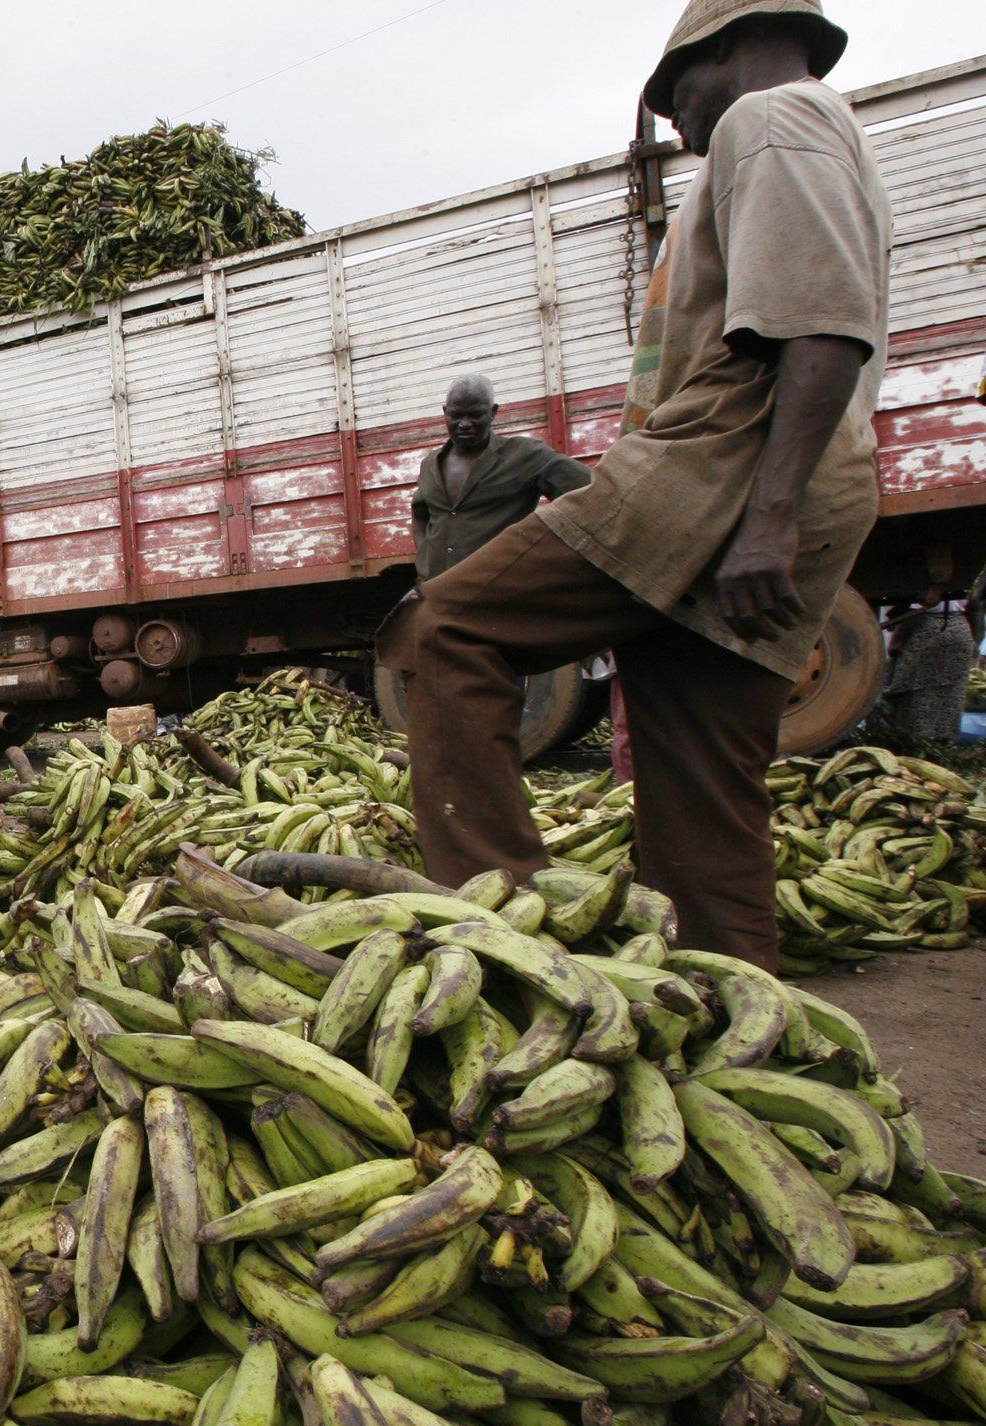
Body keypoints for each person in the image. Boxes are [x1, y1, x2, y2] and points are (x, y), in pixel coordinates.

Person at [377, 0, 889, 973]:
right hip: (785, 473)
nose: (674, 125)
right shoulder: (823, 130)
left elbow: (821, 324)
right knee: (700, 787)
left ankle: (508, 934)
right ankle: (735, 1020)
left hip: (719, 464)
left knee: (445, 628)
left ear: (722, 48)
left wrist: (764, 518)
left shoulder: (770, 118)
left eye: (674, 97)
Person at [411, 375, 592, 581]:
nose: (465, 424)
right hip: (436, 591)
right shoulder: (430, 464)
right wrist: (424, 559)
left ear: (493, 412)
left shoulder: (524, 455)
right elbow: (420, 515)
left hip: (497, 592)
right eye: (456, 415)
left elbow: (591, 493)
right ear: (445, 413)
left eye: (475, 415)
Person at [883, 589, 979, 745]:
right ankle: (943, 742)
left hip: (926, 630)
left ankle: (914, 742)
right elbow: (974, 608)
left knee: (914, 690)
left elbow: (916, 612)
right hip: (961, 629)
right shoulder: (964, 579)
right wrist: (973, 640)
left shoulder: (927, 579)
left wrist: (897, 641)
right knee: (951, 693)